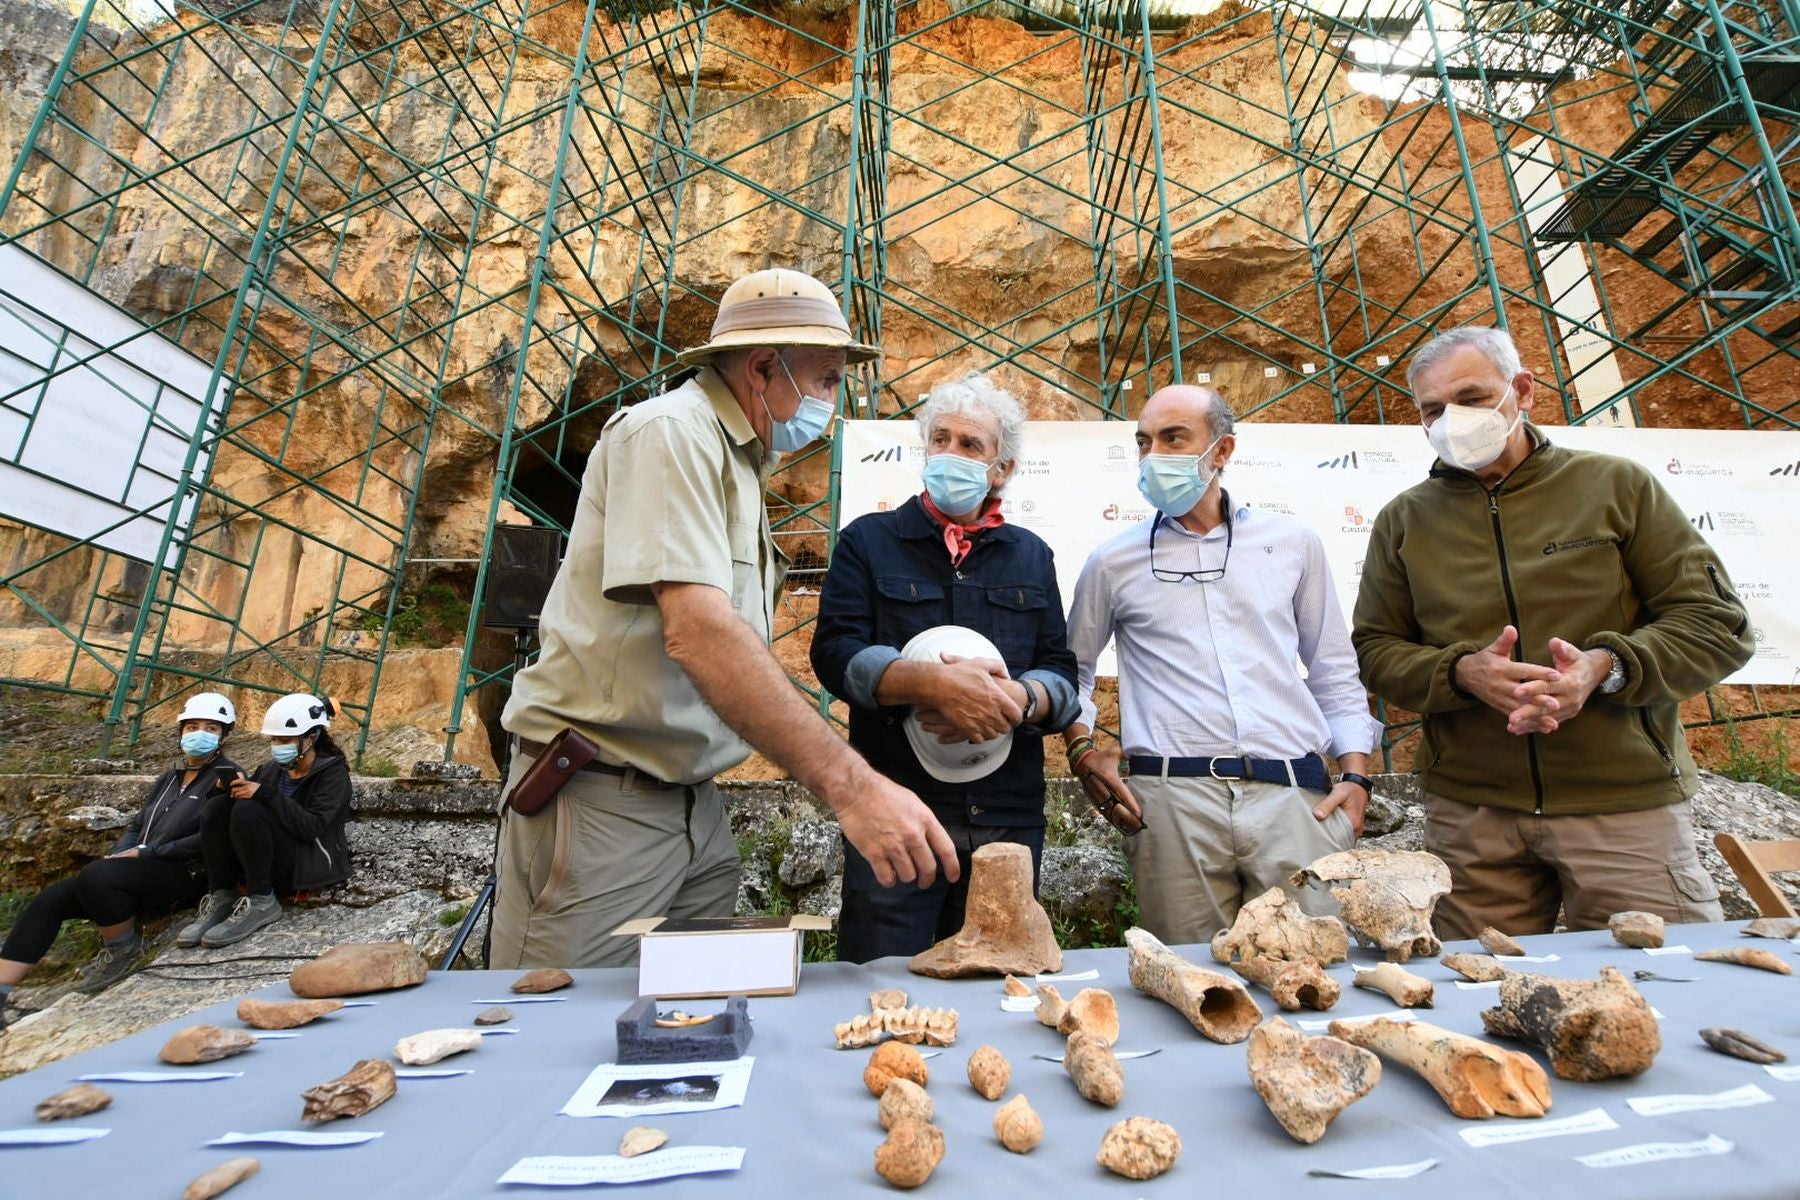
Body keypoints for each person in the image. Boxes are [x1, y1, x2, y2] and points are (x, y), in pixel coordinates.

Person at [494, 267, 958, 969]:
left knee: (678, 1031)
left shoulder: (737, 458)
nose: (832, 400)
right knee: (559, 1031)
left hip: (686, 801)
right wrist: (852, 786)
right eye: (827, 379)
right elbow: (700, 632)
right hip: (601, 802)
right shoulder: (670, 434)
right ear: (765, 366)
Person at [1352, 325, 1753, 939]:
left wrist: (1606, 666)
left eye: (1472, 398)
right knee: (1478, 1001)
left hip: (1622, 810)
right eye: (1433, 409)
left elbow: (1716, 623)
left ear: (1523, 390)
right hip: (1471, 818)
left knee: (1668, 990)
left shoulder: (1618, 487)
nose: (1452, 419)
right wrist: (1461, 672)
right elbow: (1377, 650)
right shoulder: (1405, 520)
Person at [1063, 385, 1380, 946]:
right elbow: (1076, 673)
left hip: (1295, 800)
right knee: (1193, 984)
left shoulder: (1292, 543)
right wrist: (1082, 751)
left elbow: (1332, 666)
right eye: (1144, 441)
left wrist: (1355, 776)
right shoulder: (1112, 562)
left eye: (1173, 437)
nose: (1154, 454)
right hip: (1171, 806)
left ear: (1223, 449)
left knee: (1313, 972)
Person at [811, 371, 1079, 961]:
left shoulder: (1032, 556)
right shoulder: (867, 541)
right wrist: (926, 683)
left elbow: (1061, 669)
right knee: (883, 989)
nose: (950, 454)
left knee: (1000, 981)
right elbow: (833, 652)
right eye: (941, 439)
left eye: (970, 445)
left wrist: (1019, 701)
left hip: (1005, 824)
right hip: (896, 817)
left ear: (1001, 468)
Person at [0, 693, 241, 1020]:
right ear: (181, 731)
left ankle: (122, 950)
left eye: (211, 728)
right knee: (52, 898)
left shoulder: (227, 776)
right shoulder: (168, 778)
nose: (200, 733)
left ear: (224, 735)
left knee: (97, 877)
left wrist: (147, 851)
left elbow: (212, 836)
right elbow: (139, 822)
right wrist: (120, 854)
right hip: (142, 869)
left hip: (186, 873)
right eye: (193, 726)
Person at [176, 692, 352, 948]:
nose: (278, 745)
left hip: (305, 863)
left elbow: (310, 827)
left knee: (250, 809)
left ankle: (262, 902)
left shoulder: (332, 775)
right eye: (274, 739)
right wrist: (223, 790)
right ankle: (222, 896)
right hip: (262, 861)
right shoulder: (271, 770)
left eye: (286, 740)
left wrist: (266, 794)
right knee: (217, 808)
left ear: (310, 738)